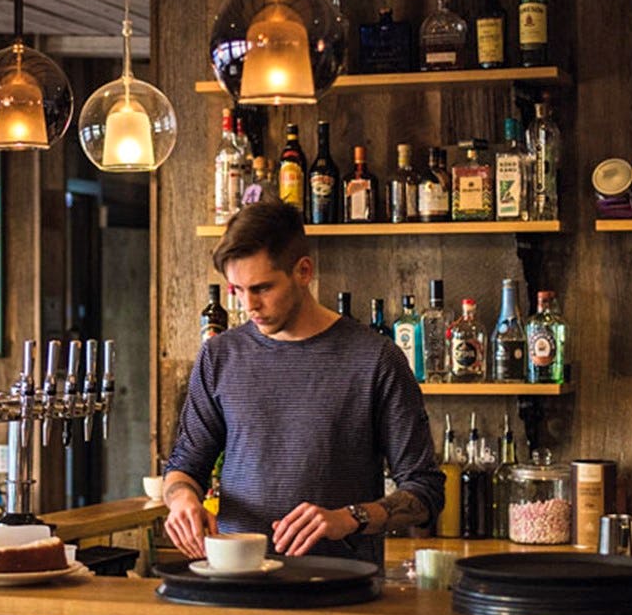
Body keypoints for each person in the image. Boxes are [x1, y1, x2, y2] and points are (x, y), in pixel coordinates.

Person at [162, 200, 444, 564]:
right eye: (237, 290)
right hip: (236, 579)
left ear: (304, 271)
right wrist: (183, 499)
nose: (249, 305)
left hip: (339, 587)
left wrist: (349, 518)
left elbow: (425, 492)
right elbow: (184, 465)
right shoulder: (219, 356)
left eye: (262, 288)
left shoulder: (376, 359)